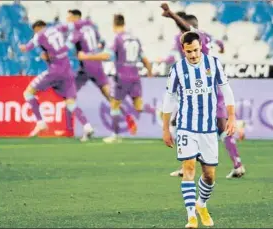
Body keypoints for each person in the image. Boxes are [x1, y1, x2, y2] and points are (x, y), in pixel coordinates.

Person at [160, 3, 245, 178]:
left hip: (203, 87)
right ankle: (237, 164)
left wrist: (171, 14)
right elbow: (220, 44)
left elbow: (185, 27)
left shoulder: (194, 35)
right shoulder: (208, 36)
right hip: (214, 83)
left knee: (181, 123)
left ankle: (188, 163)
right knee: (219, 126)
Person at [162, 31, 236, 228]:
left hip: (208, 128)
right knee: (188, 168)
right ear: (183, 50)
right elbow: (168, 99)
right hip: (186, 126)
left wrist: (232, 117)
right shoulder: (177, 69)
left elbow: (226, 90)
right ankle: (191, 216)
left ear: (201, 46)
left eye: (196, 50)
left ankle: (201, 205)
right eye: (189, 52)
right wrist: (165, 129)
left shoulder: (213, 63)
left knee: (209, 175)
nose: (193, 55)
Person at [77, 14, 153, 143]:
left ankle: (115, 135)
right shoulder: (135, 38)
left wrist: (86, 57)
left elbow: (107, 56)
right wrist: (150, 71)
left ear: (114, 24)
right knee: (139, 106)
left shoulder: (118, 38)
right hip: (135, 76)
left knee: (114, 105)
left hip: (122, 77)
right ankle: (160, 112)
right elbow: (144, 58)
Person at [19, 20, 94, 140]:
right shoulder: (58, 28)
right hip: (68, 69)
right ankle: (87, 126)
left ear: (38, 28)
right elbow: (74, 24)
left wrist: (23, 47)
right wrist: (87, 22)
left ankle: (40, 122)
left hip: (55, 70)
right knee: (70, 102)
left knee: (28, 92)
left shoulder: (39, 35)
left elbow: (27, 47)